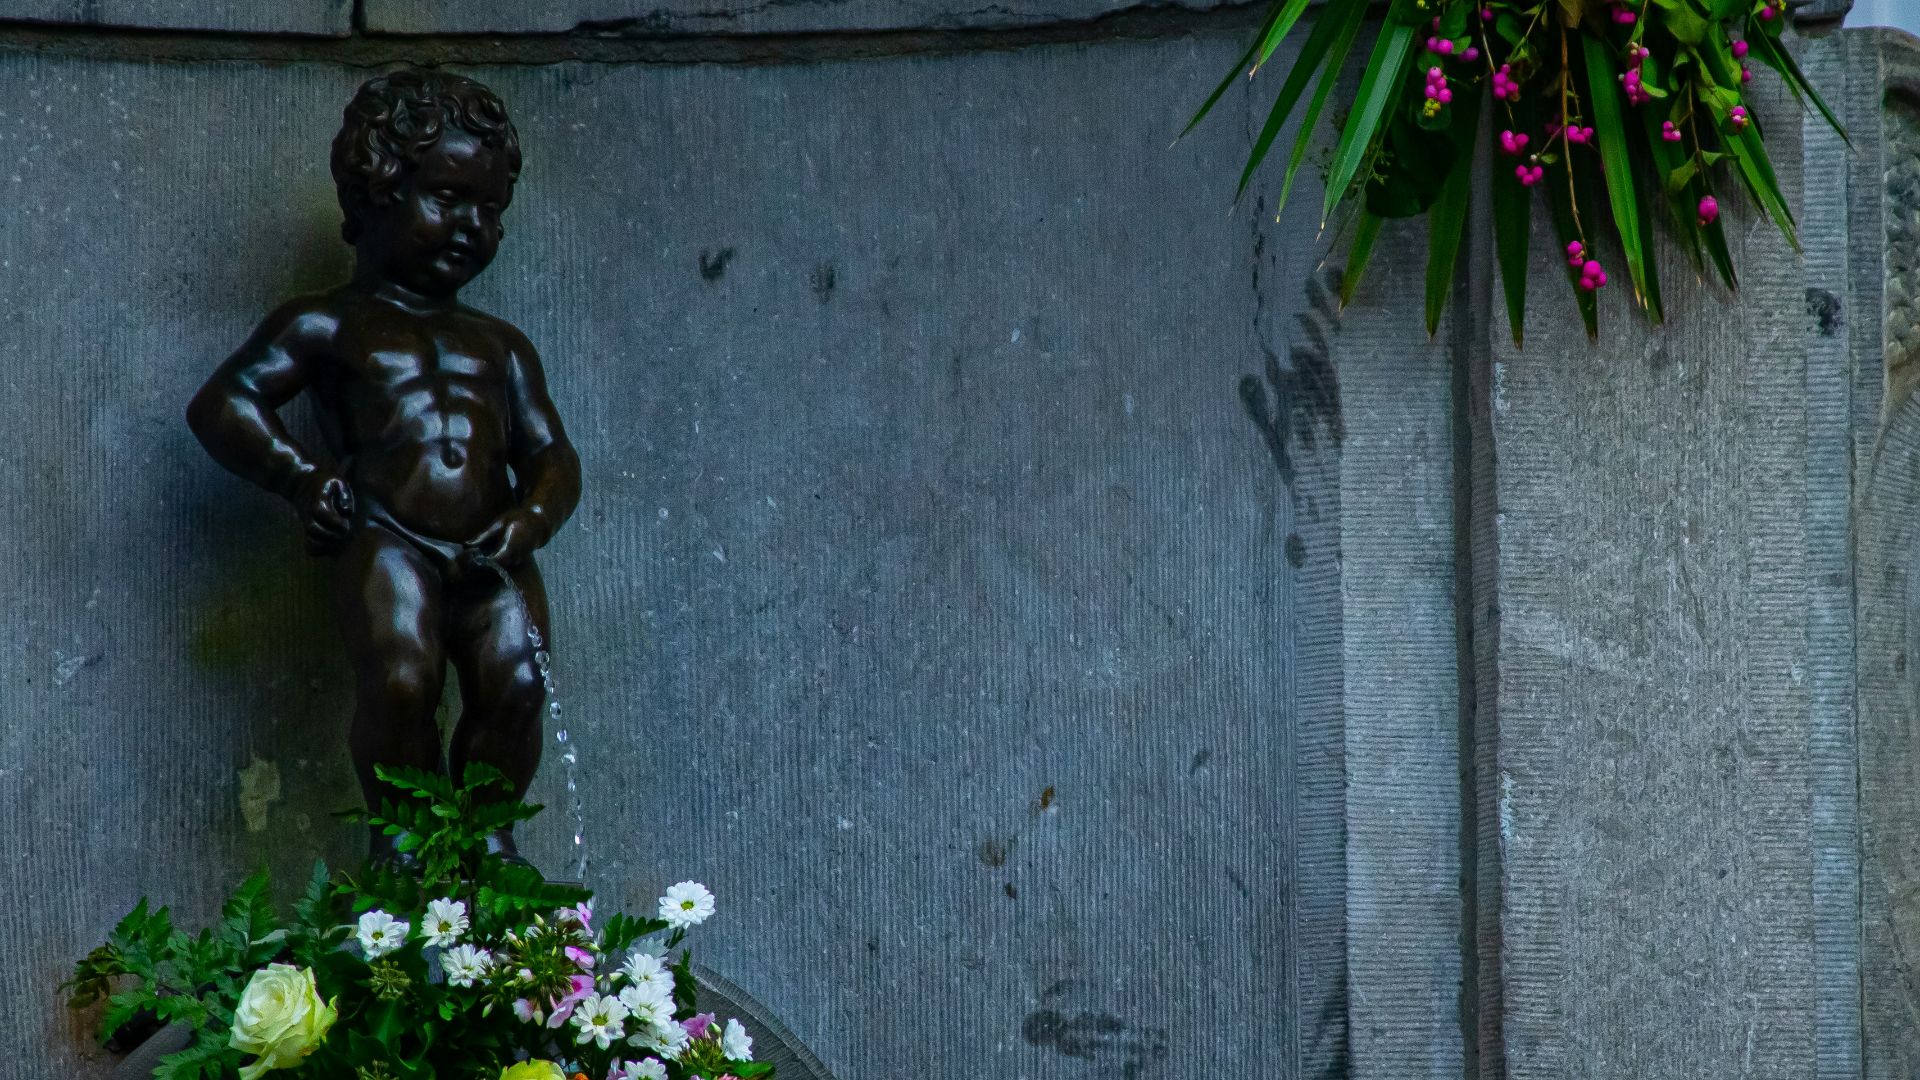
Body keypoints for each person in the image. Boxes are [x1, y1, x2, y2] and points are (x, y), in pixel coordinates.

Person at [187, 70, 580, 866]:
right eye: (447, 198)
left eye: (489, 209)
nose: (471, 225)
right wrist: (301, 478)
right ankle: (404, 836)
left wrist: (533, 517)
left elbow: (552, 454)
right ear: (376, 195)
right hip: (389, 537)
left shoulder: (500, 346)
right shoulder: (330, 322)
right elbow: (225, 404)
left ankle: (486, 835)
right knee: (402, 681)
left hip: (492, 548)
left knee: (519, 685)